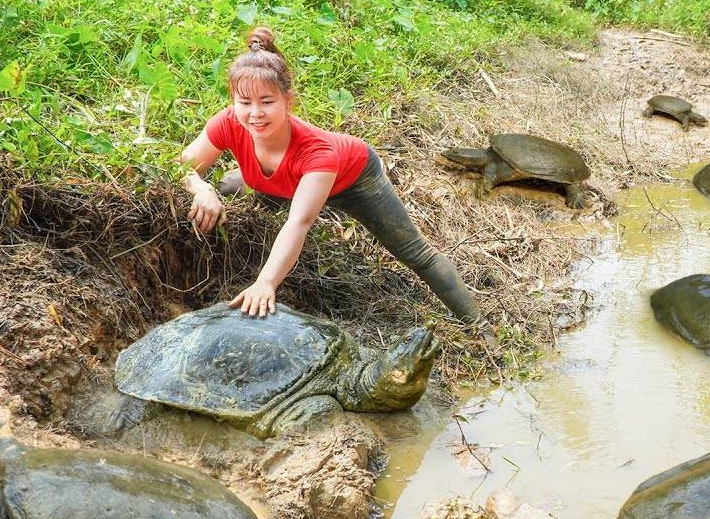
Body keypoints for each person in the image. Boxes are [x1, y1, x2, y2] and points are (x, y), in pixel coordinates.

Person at [178, 27, 482, 324]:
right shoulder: (229, 122)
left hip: (354, 180)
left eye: (267, 102)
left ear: (288, 101)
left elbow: (298, 223)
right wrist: (202, 189)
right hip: (289, 181)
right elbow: (180, 166)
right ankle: (257, 187)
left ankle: (478, 325)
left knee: (414, 252)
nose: (255, 113)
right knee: (224, 186)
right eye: (245, 103)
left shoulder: (318, 152)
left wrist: (266, 283)